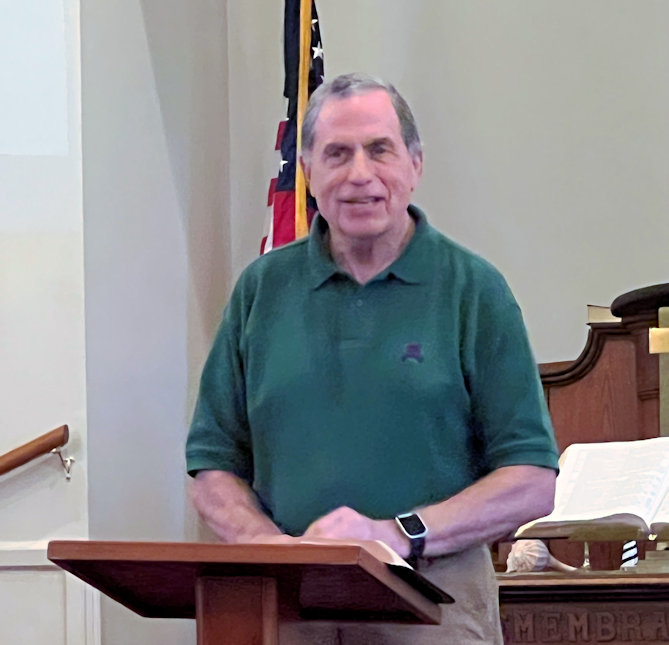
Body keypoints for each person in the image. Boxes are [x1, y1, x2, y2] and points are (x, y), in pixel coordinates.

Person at [186, 72, 559, 644]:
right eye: (337, 154)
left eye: (379, 150)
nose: (360, 174)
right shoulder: (261, 290)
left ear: (415, 164)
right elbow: (213, 466)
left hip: (432, 599)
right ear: (307, 171)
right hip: (285, 605)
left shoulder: (474, 289)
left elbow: (531, 479)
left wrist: (398, 534)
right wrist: (275, 551)